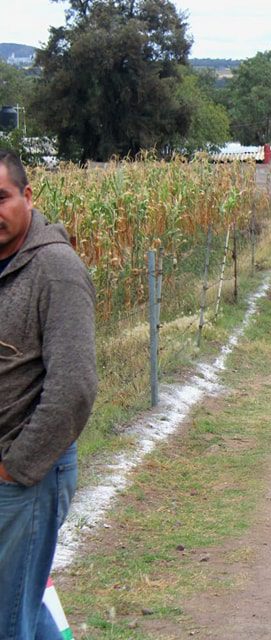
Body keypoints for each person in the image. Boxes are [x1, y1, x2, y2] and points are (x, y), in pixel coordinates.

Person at [0, 150, 98, 639]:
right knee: (21, 601)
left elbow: (74, 387)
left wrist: (16, 467)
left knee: (8, 615)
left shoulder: (55, 269)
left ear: (27, 196)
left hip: (27, 476)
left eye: (1, 197)